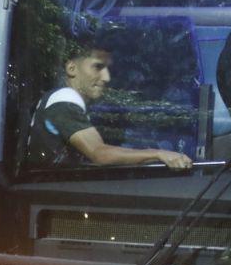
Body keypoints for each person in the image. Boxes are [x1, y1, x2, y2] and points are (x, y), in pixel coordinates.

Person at [14, 40, 193, 171]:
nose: (106, 77)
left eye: (108, 69)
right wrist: (159, 154)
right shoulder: (64, 100)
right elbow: (100, 154)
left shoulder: (63, 100)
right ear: (71, 68)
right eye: (98, 67)